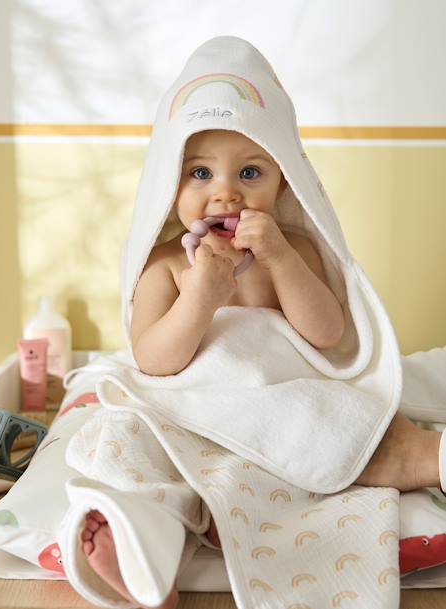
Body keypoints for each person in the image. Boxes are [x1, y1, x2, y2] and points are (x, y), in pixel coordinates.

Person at [79, 126, 443, 608]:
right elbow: (153, 361)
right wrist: (198, 299)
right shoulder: (166, 265)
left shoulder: (296, 251)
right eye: (200, 173)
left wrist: (279, 258)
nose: (225, 192)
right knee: (126, 439)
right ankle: (147, 556)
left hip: (280, 409)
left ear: (284, 184)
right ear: (170, 186)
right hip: (195, 418)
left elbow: (327, 333)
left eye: (250, 172)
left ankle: (430, 458)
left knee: (348, 424)